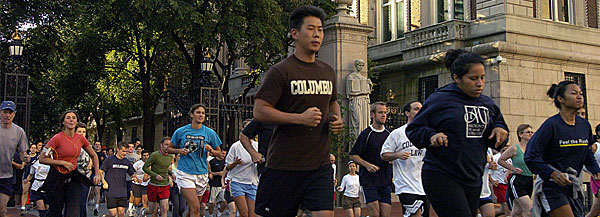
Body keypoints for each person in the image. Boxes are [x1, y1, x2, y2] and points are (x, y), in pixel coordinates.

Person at [252, 5, 343, 217]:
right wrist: (299, 119)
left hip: (319, 165)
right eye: (311, 29)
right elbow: (260, 110)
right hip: (284, 166)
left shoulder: (327, 71)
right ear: (295, 33)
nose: (317, 34)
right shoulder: (281, 71)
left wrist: (336, 119)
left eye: (320, 29)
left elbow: (332, 102)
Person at [406, 49, 509, 217]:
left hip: (473, 175)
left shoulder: (487, 103)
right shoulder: (441, 99)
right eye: (473, 78)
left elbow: (498, 130)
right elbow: (414, 129)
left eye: (482, 78)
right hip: (442, 173)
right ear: (457, 78)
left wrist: (500, 131)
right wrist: (432, 136)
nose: (479, 84)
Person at [524, 81, 600, 217]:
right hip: (552, 187)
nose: (579, 97)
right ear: (560, 99)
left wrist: (596, 170)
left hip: (573, 186)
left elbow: (587, 151)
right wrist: (552, 174)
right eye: (574, 93)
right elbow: (531, 156)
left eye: (581, 94)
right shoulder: (550, 125)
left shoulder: (584, 125)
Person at [38, 110, 100, 217]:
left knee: (73, 212)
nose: (71, 119)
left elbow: (94, 155)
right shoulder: (57, 138)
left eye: (73, 118)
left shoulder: (80, 139)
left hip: (73, 178)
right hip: (57, 178)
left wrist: (97, 173)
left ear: (76, 122)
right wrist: (62, 163)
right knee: (55, 212)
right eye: (68, 117)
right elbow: (42, 159)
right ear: (63, 122)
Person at [167, 103, 223, 217]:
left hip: (201, 173)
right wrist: (179, 151)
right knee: (196, 207)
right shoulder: (181, 131)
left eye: (203, 113)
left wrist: (211, 150)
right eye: (198, 112)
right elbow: (169, 149)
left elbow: (219, 153)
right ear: (191, 115)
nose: (201, 115)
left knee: (193, 209)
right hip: (185, 172)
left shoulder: (210, 132)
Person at [381, 101, 432, 217]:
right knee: (415, 215)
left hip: (424, 185)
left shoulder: (427, 133)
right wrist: (397, 155)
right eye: (416, 109)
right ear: (407, 113)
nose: (420, 111)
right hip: (406, 185)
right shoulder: (398, 133)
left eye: (421, 109)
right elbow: (384, 154)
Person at [349, 102, 391, 217]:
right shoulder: (366, 134)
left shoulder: (389, 134)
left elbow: (393, 152)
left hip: (385, 180)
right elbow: (353, 155)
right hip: (369, 181)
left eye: (385, 113)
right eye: (380, 112)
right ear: (372, 115)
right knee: (375, 214)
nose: (383, 115)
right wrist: (367, 165)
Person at [498, 124, 534, 217]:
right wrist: (512, 168)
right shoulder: (515, 148)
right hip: (518, 180)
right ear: (520, 134)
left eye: (531, 132)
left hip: (529, 180)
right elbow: (501, 160)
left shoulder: (532, 149)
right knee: (530, 210)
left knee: (518, 212)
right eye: (528, 132)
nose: (530, 134)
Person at [0, 100, 28, 217]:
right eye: (5, 112)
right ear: (0, 113)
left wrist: (25, 158)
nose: (7, 115)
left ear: (14, 114)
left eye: (10, 112)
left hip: (6, 175)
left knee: (1, 210)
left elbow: (22, 153)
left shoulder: (19, 131)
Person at [226, 119, 259, 217]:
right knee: (244, 213)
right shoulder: (235, 146)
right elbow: (227, 167)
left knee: (252, 214)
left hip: (252, 182)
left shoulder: (257, 146)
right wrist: (236, 162)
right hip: (237, 182)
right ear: (243, 129)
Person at [101, 141, 136, 217]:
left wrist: (134, 178)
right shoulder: (109, 160)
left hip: (122, 190)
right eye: (123, 151)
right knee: (113, 214)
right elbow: (100, 172)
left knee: (121, 213)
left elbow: (132, 173)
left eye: (126, 151)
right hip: (111, 190)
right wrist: (104, 182)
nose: (124, 153)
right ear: (117, 149)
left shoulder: (127, 162)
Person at [143, 137, 174, 217]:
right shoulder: (155, 155)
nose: (168, 147)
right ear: (161, 145)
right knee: (152, 210)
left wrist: (171, 173)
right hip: (154, 185)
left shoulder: (170, 156)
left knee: (164, 209)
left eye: (169, 145)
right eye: (166, 144)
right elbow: (145, 167)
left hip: (164, 185)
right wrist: (155, 175)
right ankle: (143, 212)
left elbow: (165, 168)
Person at [76, 123, 93, 217]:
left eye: (83, 132)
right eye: (79, 131)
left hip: (85, 178)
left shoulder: (87, 145)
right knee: (74, 203)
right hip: (74, 177)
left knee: (82, 202)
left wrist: (90, 165)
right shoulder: (72, 144)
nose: (82, 133)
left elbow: (92, 156)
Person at [490, 144, 511, 216]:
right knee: (506, 205)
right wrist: (493, 181)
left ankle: (484, 215)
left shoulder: (510, 157)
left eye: (507, 150)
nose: (505, 152)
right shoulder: (495, 158)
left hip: (508, 184)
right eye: (503, 150)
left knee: (502, 209)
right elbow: (488, 172)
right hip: (499, 184)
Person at [20, 144, 39, 214]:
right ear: (30, 149)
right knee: (25, 191)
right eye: (32, 148)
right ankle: (23, 207)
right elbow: (22, 166)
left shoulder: (38, 157)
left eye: (35, 148)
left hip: (35, 176)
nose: (33, 149)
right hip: (27, 174)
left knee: (33, 190)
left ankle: (33, 203)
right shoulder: (27, 157)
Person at [208, 149, 228, 217]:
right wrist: (218, 173)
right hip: (214, 185)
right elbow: (209, 173)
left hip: (222, 185)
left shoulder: (225, 162)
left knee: (225, 202)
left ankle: (219, 214)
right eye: (222, 153)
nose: (223, 155)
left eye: (225, 154)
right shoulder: (212, 161)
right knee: (211, 203)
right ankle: (211, 215)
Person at [587, 124, 600, 217]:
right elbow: (584, 160)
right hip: (597, 180)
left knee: (595, 211)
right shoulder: (596, 146)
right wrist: (593, 172)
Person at [90, 141, 107, 216]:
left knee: (98, 189)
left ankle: (96, 207)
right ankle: (91, 199)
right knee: (91, 189)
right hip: (91, 173)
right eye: (96, 144)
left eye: (98, 145)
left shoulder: (103, 154)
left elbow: (105, 164)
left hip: (99, 173)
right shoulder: (91, 152)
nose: (97, 146)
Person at [478, 149, 496, 217]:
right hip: (470, 189)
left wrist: (492, 166)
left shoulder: (488, 149)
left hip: (484, 191)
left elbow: (490, 167)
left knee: (490, 214)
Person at [132, 150, 150, 215]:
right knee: (137, 200)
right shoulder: (137, 164)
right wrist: (136, 178)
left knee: (145, 200)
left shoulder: (151, 163)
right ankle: (133, 207)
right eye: (144, 156)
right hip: (137, 183)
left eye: (147, 155)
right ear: (142, 156)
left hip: (146, 183)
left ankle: (144, 214)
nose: (146, 157)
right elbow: (132, 172)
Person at [124, 142, 140, 216]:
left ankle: (130, 209)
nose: (130, 148)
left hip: (132, 178)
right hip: (123, 178)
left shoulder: (136, 157)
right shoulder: (124, 155)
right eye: (129, 147)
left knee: (132, 193)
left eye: (132, 147)